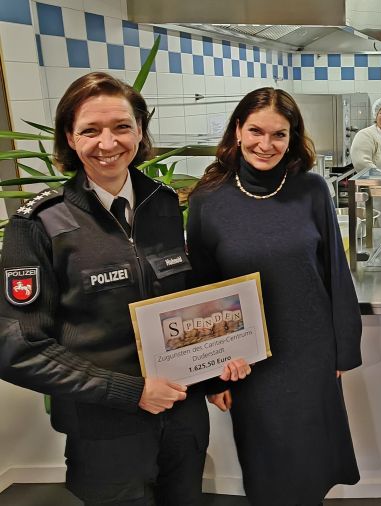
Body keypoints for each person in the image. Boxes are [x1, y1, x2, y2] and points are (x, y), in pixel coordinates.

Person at [0, 71, 249, 505]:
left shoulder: (164, 203)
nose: (108, 143)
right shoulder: (39, 223)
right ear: (69, 138)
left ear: (140, 131)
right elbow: (18, 348)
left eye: (121, 127)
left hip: (182, 417)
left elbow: (183, 306)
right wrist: (131, 392)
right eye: (90, 130)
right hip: (105, 430)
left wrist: (217, 361)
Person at [187, 87, 362, 505]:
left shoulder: (312, 189)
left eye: (279, 135)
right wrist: (212, 373)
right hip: (249, 361)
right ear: (237, 130)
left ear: (292, 136)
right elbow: (202, 289)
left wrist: (341, 351)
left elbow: (335, 272)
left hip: (309, 351)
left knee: (312, 461)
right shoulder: (208, 200)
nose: (266, 145)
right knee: (266, 467)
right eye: (255, 131)